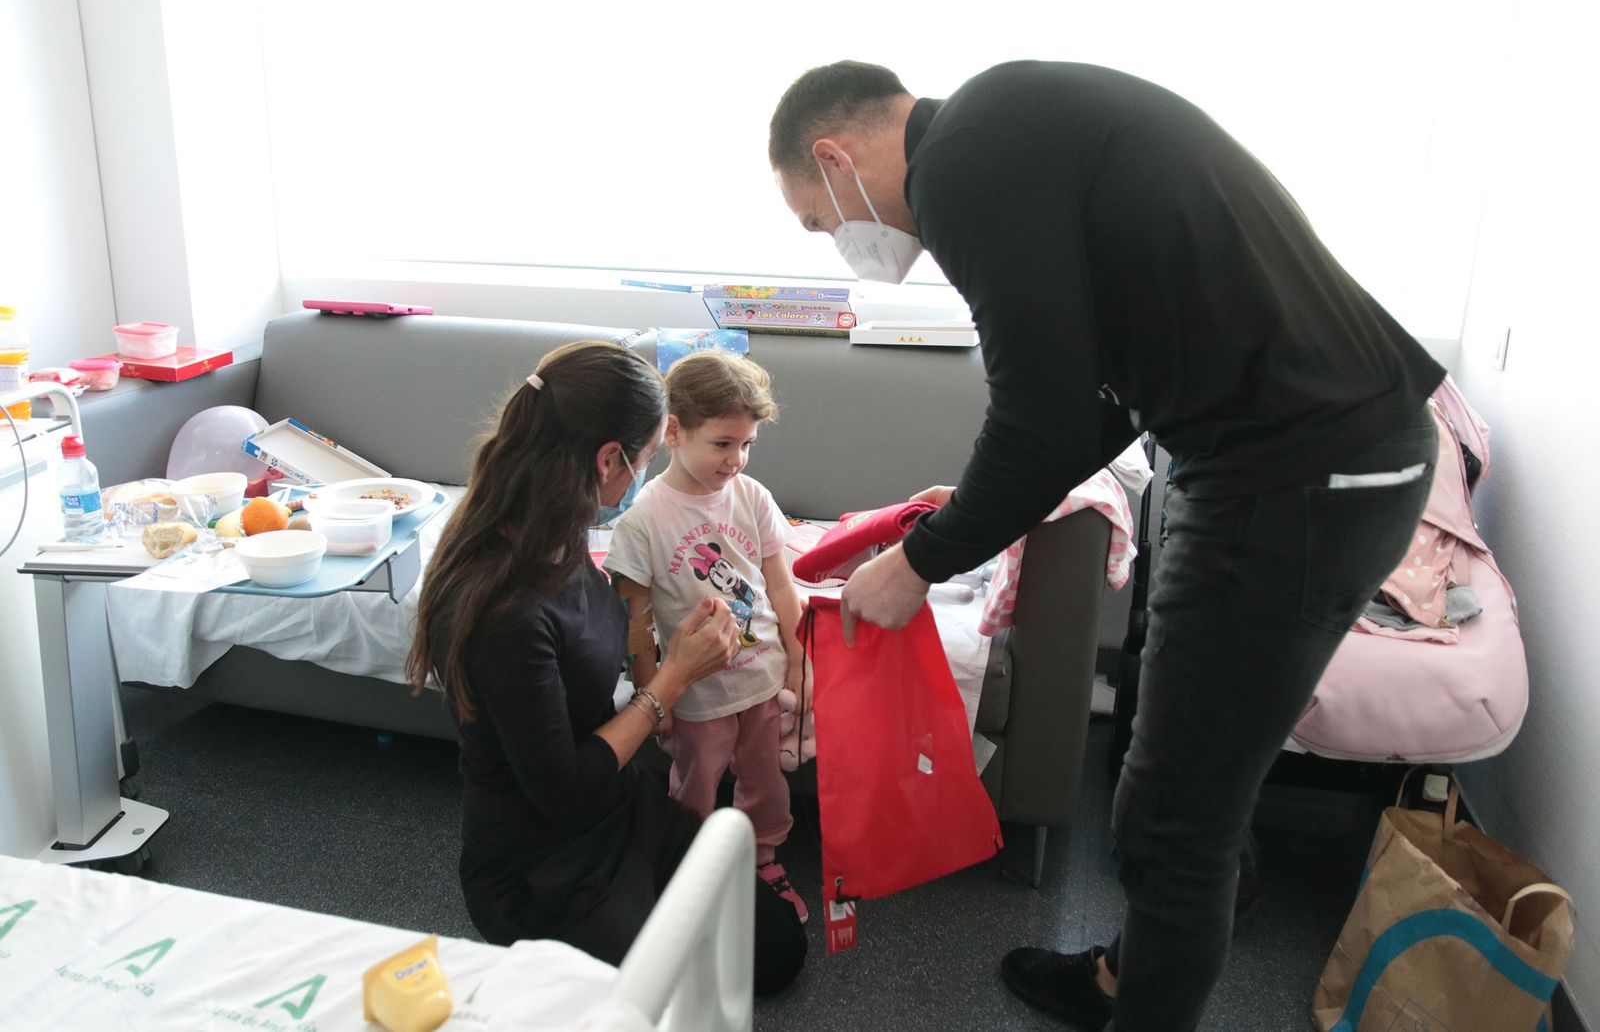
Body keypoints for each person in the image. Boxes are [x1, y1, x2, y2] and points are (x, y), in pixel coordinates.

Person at [768, 60, 1444, 1030]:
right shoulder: (1011, 123)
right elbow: (1098, 391)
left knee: (1173, 819)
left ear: (834, 156)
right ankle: (1128, 975)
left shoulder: (959, 167)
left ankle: (1144, 998)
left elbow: (1037, 417)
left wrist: (918, 563)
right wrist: (985, 504)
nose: (839, 241)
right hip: (1275, 457)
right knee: (1181, 761)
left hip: (1296, 477)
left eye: (818, 218)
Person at [404, 340, 806, 993]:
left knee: (777, 951)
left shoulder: (558, 532)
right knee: (675, 993)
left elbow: (629, 617)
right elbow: (560, 787)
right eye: (647, 460)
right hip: (538, 862)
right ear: (607, 459)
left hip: (616, 807)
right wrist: (672, 678)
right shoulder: (505, 611)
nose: (645, 478)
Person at [604, 350, 810, 925]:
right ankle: (687, 868)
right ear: (673, 431)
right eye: (722, 444)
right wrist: (654, 696)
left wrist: (796, 658)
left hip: (762, 680)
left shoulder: (752, 497)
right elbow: (634, 617)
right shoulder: (643, 519)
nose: (736, 460)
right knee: (694, 788)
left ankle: (764, 858)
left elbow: (779, 582)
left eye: (746, 445)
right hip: (695, 696)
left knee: (765, 784)